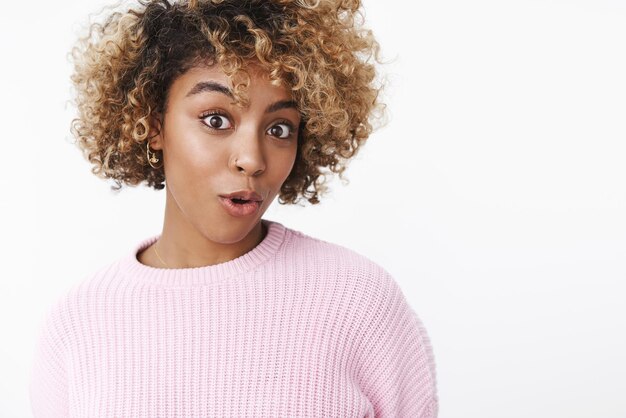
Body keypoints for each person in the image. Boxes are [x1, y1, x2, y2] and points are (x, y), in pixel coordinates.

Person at [28, 0, 438, 416]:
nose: (252, 159)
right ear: (152, 124)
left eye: (279, 129)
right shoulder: (78, 324)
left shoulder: (357, 301)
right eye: (216, 120)